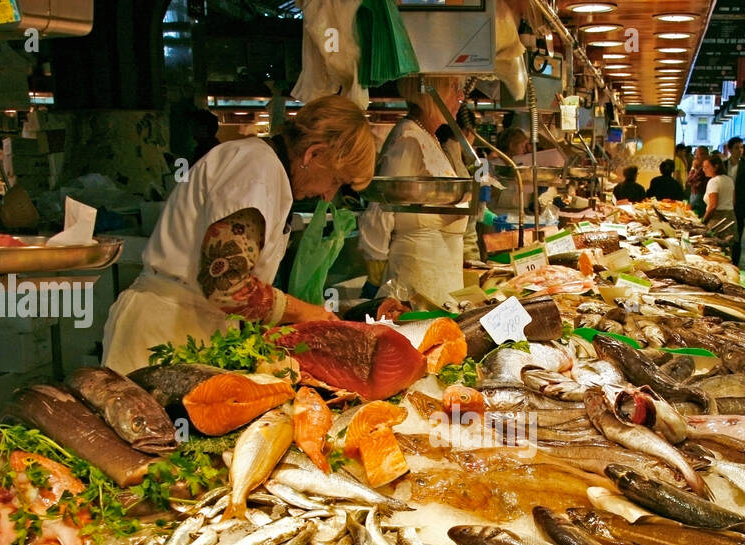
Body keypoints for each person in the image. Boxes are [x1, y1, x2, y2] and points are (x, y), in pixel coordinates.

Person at [100, 95, 375, 374]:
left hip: (193, 330)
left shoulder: (268, 171)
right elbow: (225, 285)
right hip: (162, 334)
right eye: (335, 180)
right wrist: (306, 312)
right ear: (313, 153)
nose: (328, 196)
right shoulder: (256, 169)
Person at [359, 75, 469, 309]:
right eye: (454, 87)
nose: (461, 97)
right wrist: (375, 264)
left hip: (442, 281)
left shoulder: (430, 138)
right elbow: (382, 206)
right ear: (430, 92)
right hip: (416, 284)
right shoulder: (408, 138)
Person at [437, 105, 482, 264]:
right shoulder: (448, 155)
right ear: (468, 131)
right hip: (457, 247)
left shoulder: (470, 159)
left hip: (463, 243)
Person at [727, 137, 745, 265]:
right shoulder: (723, 165)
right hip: (724, 205)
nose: (740, 150)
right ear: (730, 149)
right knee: (724, 234)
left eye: (741, 147)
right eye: (736, 148)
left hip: (740, 206)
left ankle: (735, 263)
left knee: (737, 235)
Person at [700, 155, 736, 245]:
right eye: (703, 167)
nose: (704, 169)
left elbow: (713, 206)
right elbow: (733, 201)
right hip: (730, 217)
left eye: (707, 167)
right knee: (727, 250)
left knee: (714, 248)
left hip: (717, 220)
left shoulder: (713, 182)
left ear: (716, 167)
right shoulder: (729, 180)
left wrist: (703, 221)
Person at [687, 148, 709, 213]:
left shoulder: (706, 168)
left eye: (699, 154)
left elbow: (690, 181)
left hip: (701, 196)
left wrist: (694, 168)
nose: (696, 157)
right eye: (695, 154)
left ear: (706, 155)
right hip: (694, 195)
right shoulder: (698, 167)